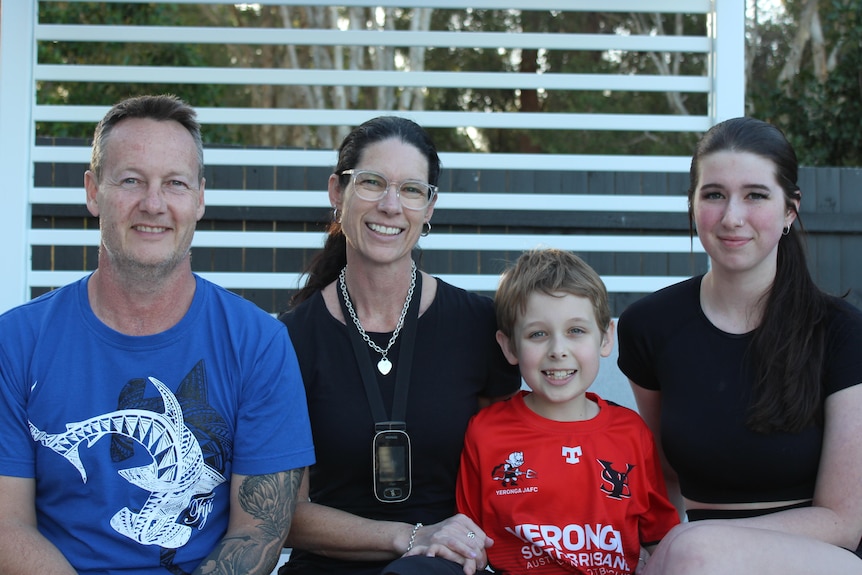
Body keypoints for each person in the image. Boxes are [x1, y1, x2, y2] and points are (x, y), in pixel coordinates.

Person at [0, 94, 315, 575]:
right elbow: (7, 526)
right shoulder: (15, 342)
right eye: (131, 181)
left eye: (175, 183)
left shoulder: (259, 344)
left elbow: (258, 532)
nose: (153, 204)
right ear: (92, 191)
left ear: (199, 198)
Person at [616, 117, 862, 574]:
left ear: (790, 209)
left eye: (755, 195)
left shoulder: (842, 332)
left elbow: (844, 522)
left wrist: (698, 541)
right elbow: (663, 477)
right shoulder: (648, 326)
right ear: (692, 205)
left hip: (823, 557)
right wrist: (654, 548)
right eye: (713, 194)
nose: (732, 216)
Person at [278, 115, 522, 575]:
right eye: (372, 183)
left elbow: (512, 470)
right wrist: (407, 535)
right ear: (337, 192)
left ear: (429, 208)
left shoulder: (478, 326)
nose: (391, 205)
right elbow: (281, 514)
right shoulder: (289, 340)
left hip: (444, 566)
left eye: (411, 190)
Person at [455, 248, 679, 575]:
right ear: (509, 346)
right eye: (538, 334)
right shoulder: (486, 432)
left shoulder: (631, 433)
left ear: (605, 337)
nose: (558, 350)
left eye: (576, 331)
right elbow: (468, 541)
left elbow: (660, 540)